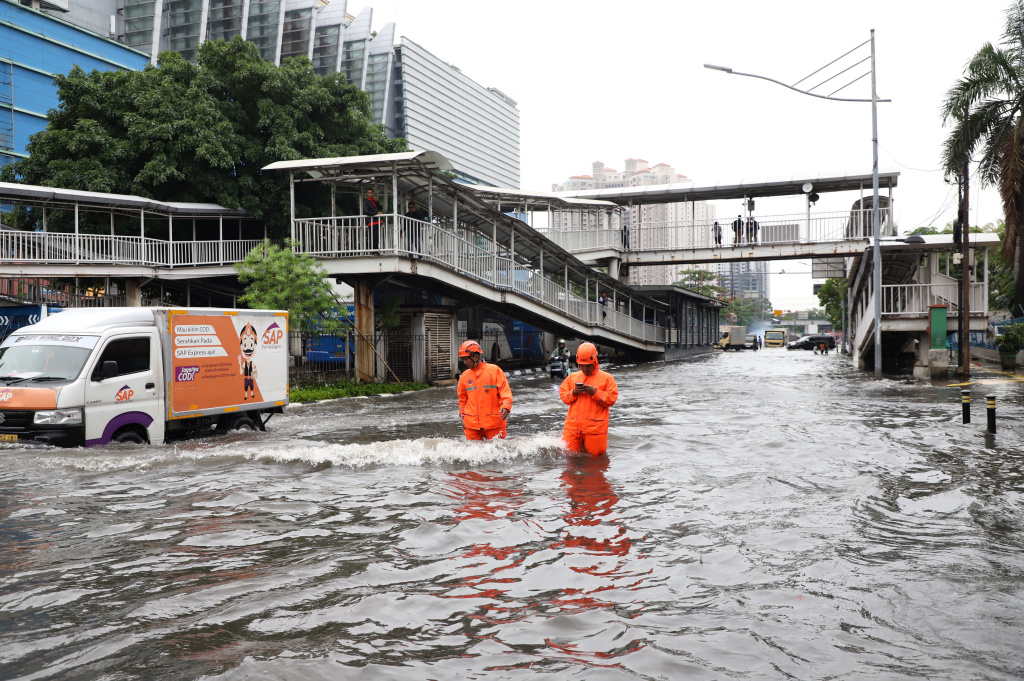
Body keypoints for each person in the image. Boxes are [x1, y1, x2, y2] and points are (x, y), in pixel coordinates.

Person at [559, 342, 618, 457]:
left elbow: (611, 399)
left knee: (596, 464)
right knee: (569, 462)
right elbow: (563, 396)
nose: (585, 368)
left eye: (588, 365)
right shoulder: (572, 377)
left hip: (595, 430)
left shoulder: (607, 379)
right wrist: (574, 392)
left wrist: (595, 393)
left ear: (595, 362)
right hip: (573, 428)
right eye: (582, 365)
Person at [457, 340, 512, 441]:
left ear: (475, 357)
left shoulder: (494, 370)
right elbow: (462, 399)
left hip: (493, 422)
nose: (464, 363)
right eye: (463, 359)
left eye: (466, 359)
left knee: (497, 453)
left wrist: (506, 407)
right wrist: (462, 415)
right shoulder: (464, 376)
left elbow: (505, 391)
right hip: (472, 425)